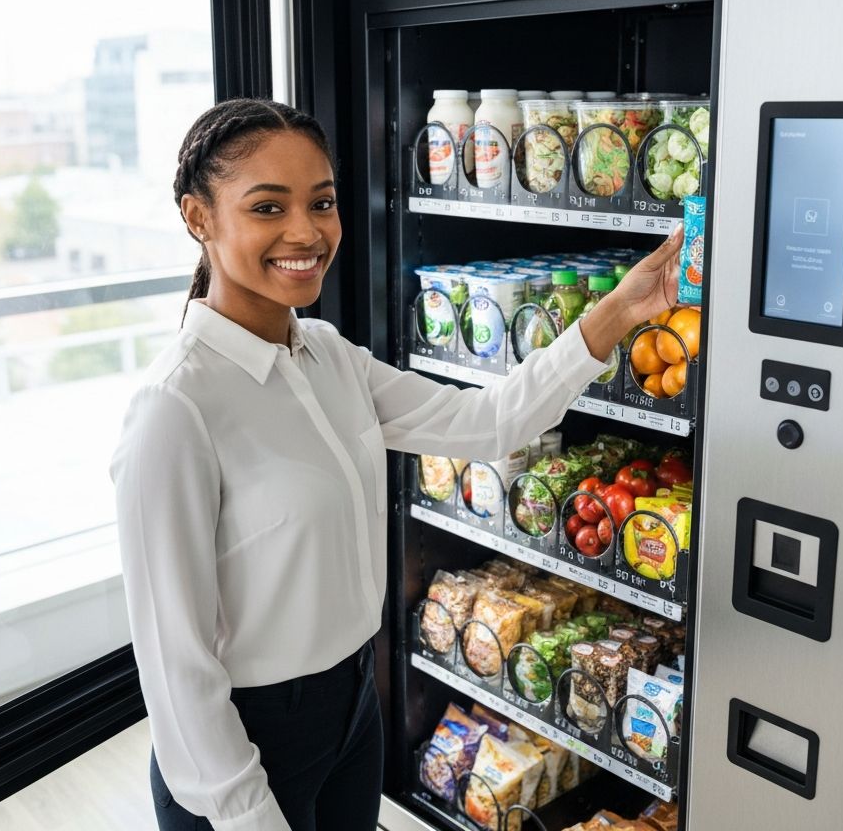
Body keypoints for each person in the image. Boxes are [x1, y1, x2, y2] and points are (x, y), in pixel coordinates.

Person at [110, 98, 684, 831]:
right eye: (267, 207)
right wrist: (246, 813)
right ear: (198, 218)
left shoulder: (326, 355)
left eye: (322, 202)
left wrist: (622, 310)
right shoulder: (175, 410)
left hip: (353, 709)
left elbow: (491, 420)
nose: (306, 232)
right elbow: (175, 666)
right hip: (242, 746)